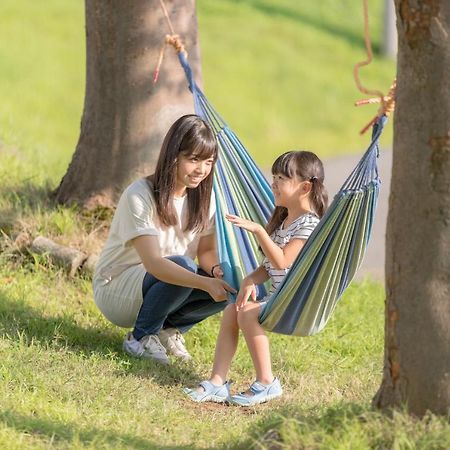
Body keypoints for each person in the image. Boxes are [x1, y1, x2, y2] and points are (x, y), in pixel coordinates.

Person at [184, 150, 328, 405]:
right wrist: (252, 278)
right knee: (233, 310)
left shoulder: (309, 225)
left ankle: (267, 382)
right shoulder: (285, 221)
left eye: (281, 177)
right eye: (273, 176)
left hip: (296, 302)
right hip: (278, 298)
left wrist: (259, 231)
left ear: (305, 187)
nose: (273, 183)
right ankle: (217, 382)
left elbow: (283, 260)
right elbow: (269, 266)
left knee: (248, 314)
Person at [93, 115, 236, 365]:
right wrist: (204, 282)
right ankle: (140, 337)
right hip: (118, 287)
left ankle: (166, 329)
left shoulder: (206, 199)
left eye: (208, 161)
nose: (201, 169)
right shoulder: (140, 195)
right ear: (174, 156)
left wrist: (217, 272)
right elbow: (155, 264)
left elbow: (206, 252)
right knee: (183, 267)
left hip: (165, 284)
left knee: (230, 280)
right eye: (193, 159)